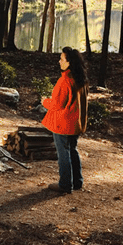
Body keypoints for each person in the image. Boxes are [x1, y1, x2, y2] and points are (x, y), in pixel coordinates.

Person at [42, 46, 89, 194]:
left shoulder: (65, 81)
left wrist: (45, 102)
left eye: (62, 59)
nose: (59, 61)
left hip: (63, 123)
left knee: (63, 153)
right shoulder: (81, 79)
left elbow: (58, 104)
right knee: (72, 150)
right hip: (75, 124)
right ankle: (77, 182)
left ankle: (64, 185)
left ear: (69, 63)